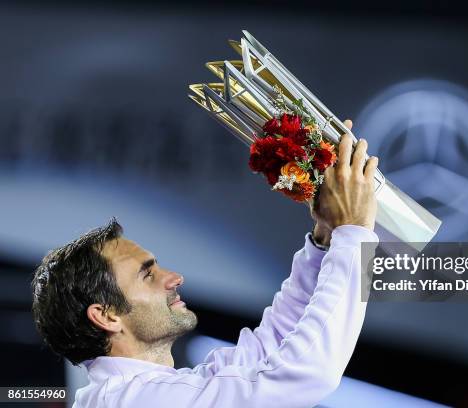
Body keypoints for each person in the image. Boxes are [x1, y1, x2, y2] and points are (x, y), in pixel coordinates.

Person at [31, 124, 379, 408]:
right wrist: (355, 234)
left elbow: (265, 353)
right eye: (147, 274)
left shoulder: (141, 393)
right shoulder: (134, 401)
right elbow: (305, 375)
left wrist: (325, 240)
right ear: (106, 316)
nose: (174, 278)